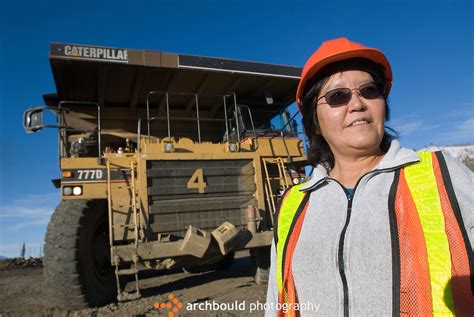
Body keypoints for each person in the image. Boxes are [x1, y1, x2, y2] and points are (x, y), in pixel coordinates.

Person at [265, 38, 473, 316]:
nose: (357, 104)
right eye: (338, 96)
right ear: (314, 122)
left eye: (369, 90)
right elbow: (275, 303)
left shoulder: (443, 176)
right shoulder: (293, 206)